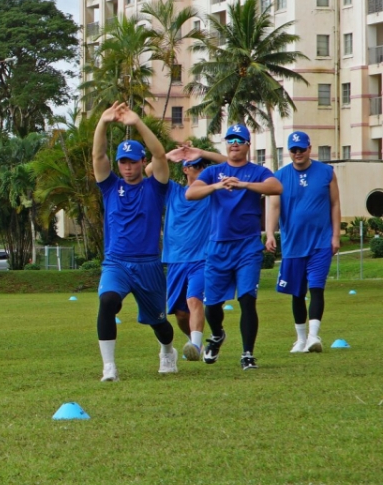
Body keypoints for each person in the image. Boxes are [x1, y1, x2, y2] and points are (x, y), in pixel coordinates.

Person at [185, 123, 282, 370]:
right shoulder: (214, 171)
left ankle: (247, 354)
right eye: (230, 139)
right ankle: (217, 335)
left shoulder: (257, 171)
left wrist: (244, 185)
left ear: (248, 145)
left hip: (247, 247)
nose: (234, 143)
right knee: (213, 305)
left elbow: (276, 187)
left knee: (248, 299)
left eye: (239, 139)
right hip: (217, 247)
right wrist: (217, 186)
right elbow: (191, 193)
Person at [90, 103, 175, 382]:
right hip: (116, 262)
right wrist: (103, 122)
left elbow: (160, 155)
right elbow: (98, 154)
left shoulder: (155, 186)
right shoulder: (110, 186)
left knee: (159, 323)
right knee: (107, 301)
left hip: (148, 264)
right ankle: (109, 367)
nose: (127, 167)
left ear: (141, 163)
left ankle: (167, 351)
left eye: (132, 162)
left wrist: (137, 122)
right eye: (123, 162)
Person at [265, 131, 340, 354]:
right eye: (293, 150)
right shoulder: (279, 176)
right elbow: (274, 207)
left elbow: (335, 204)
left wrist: (335, 236)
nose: (297, 153)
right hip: (293, 244)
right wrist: (270, 233)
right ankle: (300, 339)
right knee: (297, 293)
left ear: (309, 149)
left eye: (301, 149)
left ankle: (314, 336)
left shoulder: (326, 172)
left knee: (316, 289)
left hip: (320, 243)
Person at [160, 142, 226, 361]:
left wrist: (203, 153)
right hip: (176, 260)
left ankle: (196, 345)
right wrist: (169, 155)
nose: (198, 170)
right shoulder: (173, 191)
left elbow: (232, 164)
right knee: (179, 314)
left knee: (194, 299)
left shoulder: (211, 192)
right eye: (194, 166)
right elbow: (150, 171)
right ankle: (198, 339)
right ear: (185, 169)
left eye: (201, 166)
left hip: (203, 258)